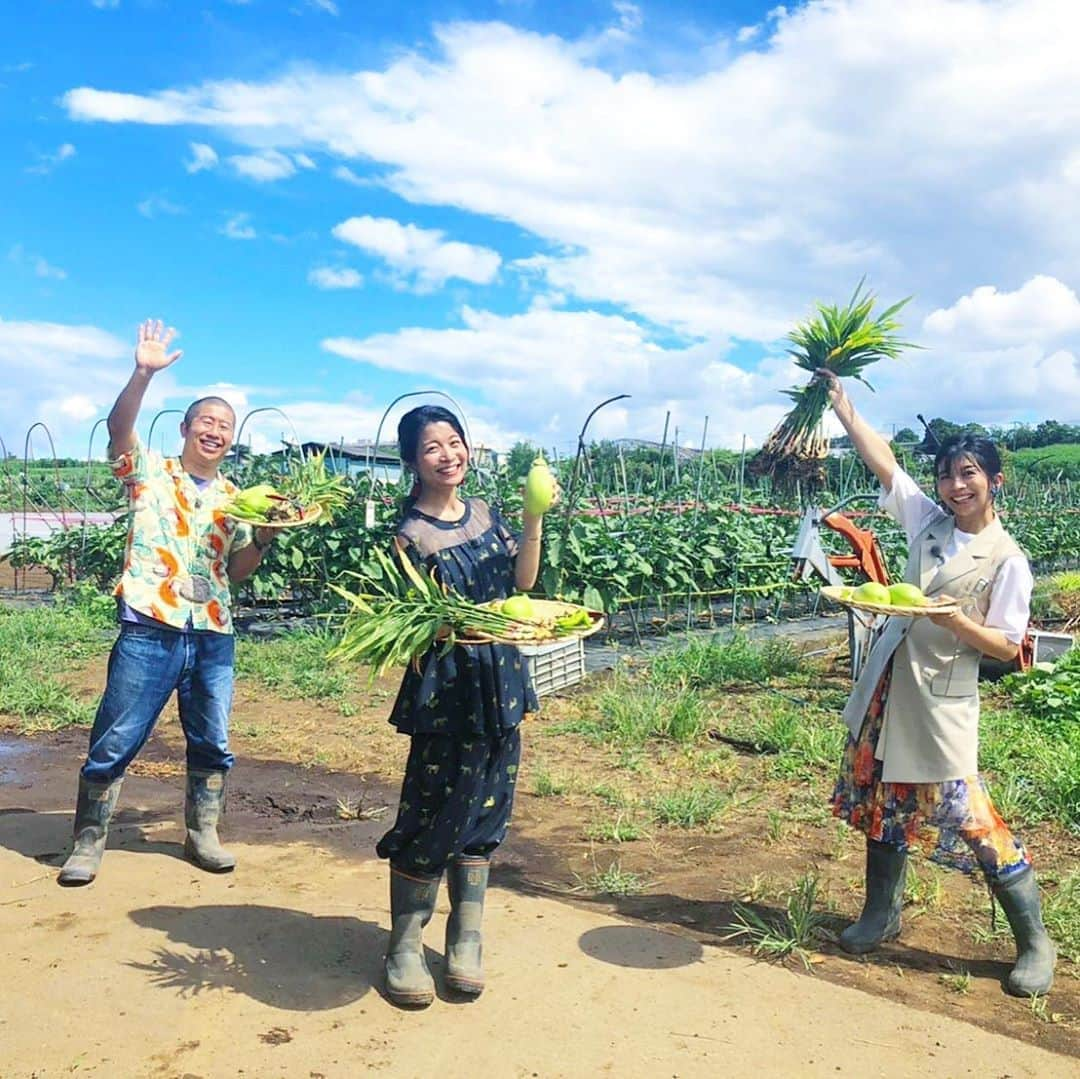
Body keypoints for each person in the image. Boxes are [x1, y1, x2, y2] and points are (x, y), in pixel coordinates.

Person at [821, 369, 1056, 997]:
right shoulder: (928, 524)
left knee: (972, 818)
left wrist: (955, 620)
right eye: (949, 475)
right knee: (882, 805)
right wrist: (844, 409)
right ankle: (881, 913)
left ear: (994, 480)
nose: (955, 486)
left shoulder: (1008, 560)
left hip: (943, 702)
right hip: (890, 687)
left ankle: (1036, 941)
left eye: (969, 474)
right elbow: (886, 468)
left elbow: (1009, 646)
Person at [58, 319, 275, 886]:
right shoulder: (151, 471)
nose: (215, 431)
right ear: (185, 427)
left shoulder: (238, 498)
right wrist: (142, 373)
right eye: (206, 420)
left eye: (225, 427)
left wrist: (268, 536)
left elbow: (237, 571)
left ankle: (202, 831)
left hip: (212, 632)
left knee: (213, 739)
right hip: (149, 625)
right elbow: (118, 429)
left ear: (231, 440)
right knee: (116, 735)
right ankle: (88, 838)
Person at [375, 405, 552, 1007]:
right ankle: (404, 942)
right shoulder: (409, 536)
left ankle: (465, 937)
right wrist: (455, 626)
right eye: (433, 448)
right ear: (411, 462)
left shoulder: (486, 515)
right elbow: (408, 624)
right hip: (448, 685)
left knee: (489, 804)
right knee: (436, 806)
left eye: (456, 442)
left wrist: (532, 521)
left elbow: (523, 586)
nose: (449, 454)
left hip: (500, 676)